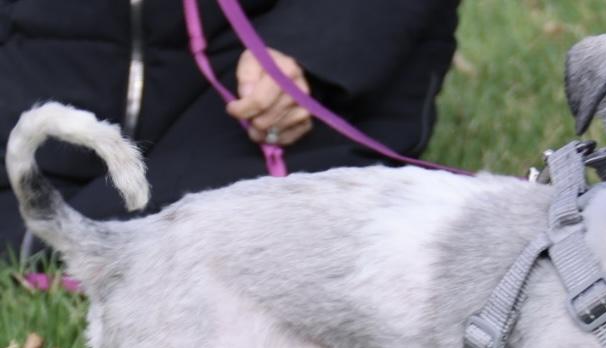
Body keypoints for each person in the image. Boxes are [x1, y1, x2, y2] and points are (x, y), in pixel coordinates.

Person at [0, 0, 460, 258]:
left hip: (243, 86)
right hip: (38, 74)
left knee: (148, 239)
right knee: (46, 235)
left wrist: (310, 48)